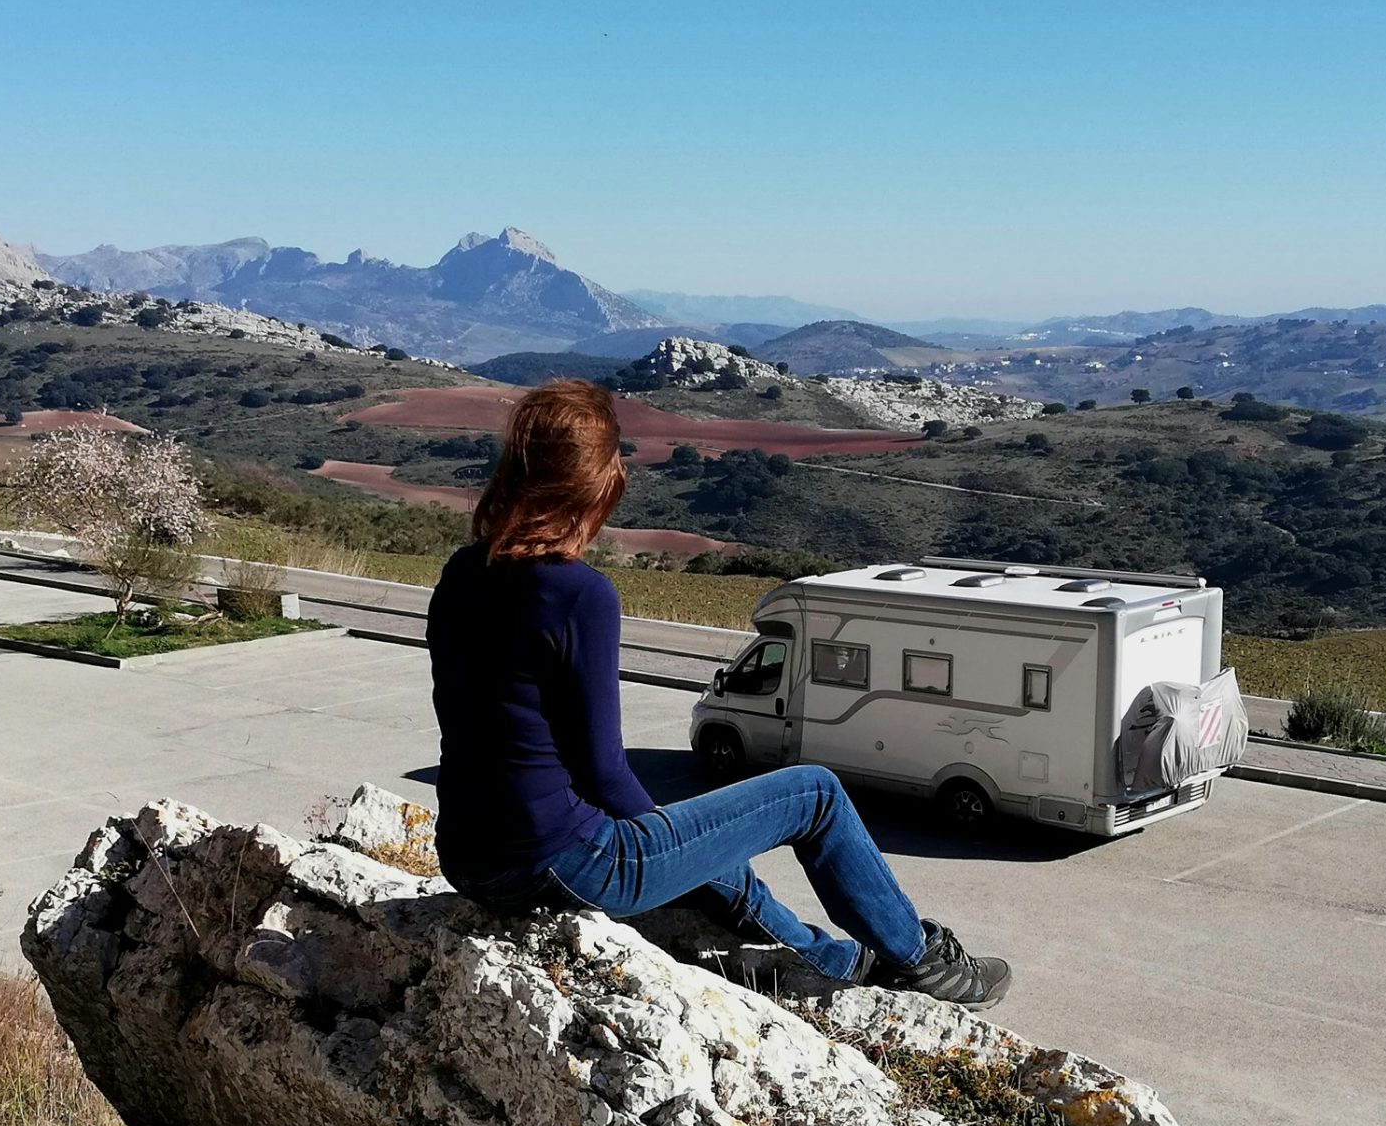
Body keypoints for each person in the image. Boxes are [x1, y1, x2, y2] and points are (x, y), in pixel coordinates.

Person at [424, 379, 1012, 1006]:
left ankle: (837, 961)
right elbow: (602, 771)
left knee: (707, 845)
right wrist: (661, 836)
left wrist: (682, 843)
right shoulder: (580, 594)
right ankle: (919, 960)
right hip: (565, 866)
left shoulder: (463, 571)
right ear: (591, 487)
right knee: (815, 793)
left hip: (469, 855)